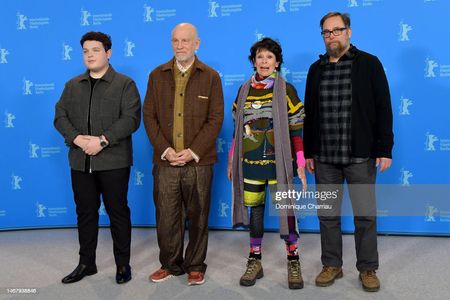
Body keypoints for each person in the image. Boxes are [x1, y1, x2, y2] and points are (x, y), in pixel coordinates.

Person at [303, 12, 394, 292]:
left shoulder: (369, 63)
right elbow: (310, 114)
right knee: (327, 215)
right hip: (325, 157)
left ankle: (367, 268)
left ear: (349, 32)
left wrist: (384, 148)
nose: (332, 36)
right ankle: (332, 264)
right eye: (326, 32)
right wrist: (309, 152)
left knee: (365, 215)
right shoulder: (315, 69)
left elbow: (383, 107)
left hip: (360, 156)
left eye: (337, 30)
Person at [54, 31, 141, 284]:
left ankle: (123, 265)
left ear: (108, 53)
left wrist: (102, 141)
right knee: (85, 213)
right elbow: (60, 116)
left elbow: (131, 119)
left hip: (114, 161)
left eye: (95, 50)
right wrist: (78, 139)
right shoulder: (72, 86)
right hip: (81, 161)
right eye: (85, 51)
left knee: (118, 212)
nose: (90, 55)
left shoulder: (125, 84)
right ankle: (86, 263)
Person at [143, 23, 224, 286]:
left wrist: (193, 151)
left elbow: (215, 119)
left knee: (199, 215)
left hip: (199, 162)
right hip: (165, 161)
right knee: (166, 216)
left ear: (197, 44)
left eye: (185, 41)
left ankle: (196, 266)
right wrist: (166, 150)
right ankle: (169, 264)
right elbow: (149, 116)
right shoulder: (156, 75)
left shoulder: (211, 76)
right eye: (175, 41)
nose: (180, 46)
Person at [228, 37, 307, 289]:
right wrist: (232, 159)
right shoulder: (243, 91)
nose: (264, 61)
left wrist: (301, 161)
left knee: (287, 212)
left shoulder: (287, 90)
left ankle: (293, 260)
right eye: (259, 57)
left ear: (277, 62)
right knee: (256, 211)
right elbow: (237, 130)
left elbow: (296, 128)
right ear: (253, 62)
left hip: (279, 163)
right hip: (250, 164)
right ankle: (255, 259)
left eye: (269, 57)